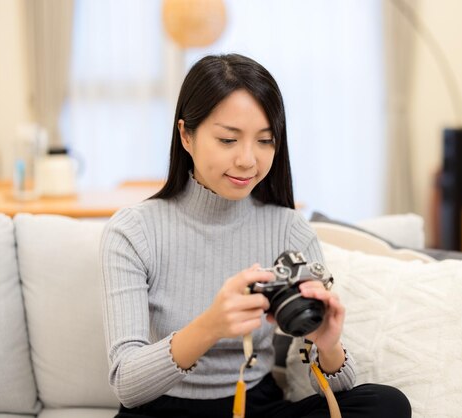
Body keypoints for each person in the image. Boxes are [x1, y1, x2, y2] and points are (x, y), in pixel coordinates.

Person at [100, 53, 411, 418]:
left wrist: (328, 347)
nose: (249, 160)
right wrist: (210, 326)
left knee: (386, 404)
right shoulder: (133, 232)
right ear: (186, 135)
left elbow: (338, 394)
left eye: (265, 140)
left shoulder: (289, 229)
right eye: (229, 140)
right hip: (159, 410)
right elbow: (127, 383)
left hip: (255, 406)